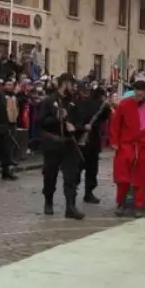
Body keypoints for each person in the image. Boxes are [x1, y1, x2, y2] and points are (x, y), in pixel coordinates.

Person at [109, 78, 145, 217]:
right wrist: (115, 142)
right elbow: (116, 124)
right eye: (137, 90)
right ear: (134, 91)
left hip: (143, 147)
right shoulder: (124, 104)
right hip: (125, 145)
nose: (139, 93)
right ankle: (121, 203)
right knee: (122, 178)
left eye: (142, 90)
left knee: (140, 178)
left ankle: (139, 205)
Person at [36, 73, 85, 220]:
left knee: (71, 176)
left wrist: (75, 127)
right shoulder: (49, 101)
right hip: (53, 143)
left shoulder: (73, 102)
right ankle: (48, 201)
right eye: (71, 84)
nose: (73, 87)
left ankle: (70, 206)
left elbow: (79, 120)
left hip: (69, 143)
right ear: (64, 83)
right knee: (50, 175)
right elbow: (40, 122)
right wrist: (56, 118)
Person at [77, 86, 110, 204]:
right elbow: (105, 117)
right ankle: (88, 192)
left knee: (80, 167)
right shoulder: (99, 105)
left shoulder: (81, 103)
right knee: (91, 168)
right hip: (90, 139)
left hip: (82, 140)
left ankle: (74, 192)